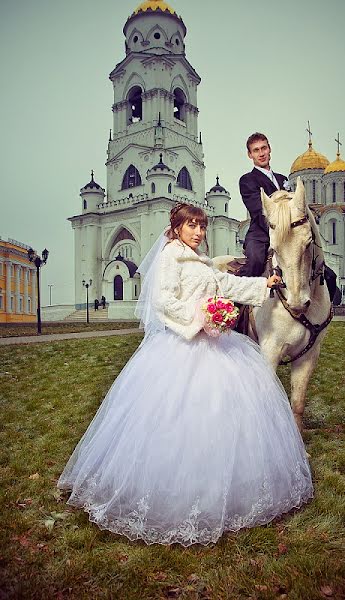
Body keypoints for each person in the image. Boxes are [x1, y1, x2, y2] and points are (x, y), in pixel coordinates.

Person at [58, 203, 312, 546]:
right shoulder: (170, 258)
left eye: (202, 226)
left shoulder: (200, 261)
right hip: (183, 345)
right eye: (192, 226)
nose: (199, 232)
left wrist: (262, 285)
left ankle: (230, 487)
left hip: (215, 343)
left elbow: (224, 283)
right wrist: (200, 317)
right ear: (177, 228)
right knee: (180, 418)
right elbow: (163, 302)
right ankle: (175, 492)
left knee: (225, 413)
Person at [239, 132, 288, 277]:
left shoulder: (283, 179)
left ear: (269, 149)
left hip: (289, 232)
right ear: (250, 155)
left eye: (263, 148)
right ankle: (242, 298)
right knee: (256, 261)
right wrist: (279, 231)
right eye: (256, 150)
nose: (261, 153)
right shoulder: (247, 180)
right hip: (261, 233)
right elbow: (259, 211)